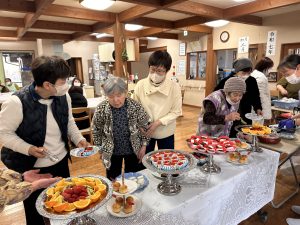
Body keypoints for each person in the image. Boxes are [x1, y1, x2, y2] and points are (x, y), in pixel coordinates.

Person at [0, 55, 89, 225]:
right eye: (64, 82)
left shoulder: (64, 96)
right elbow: (3, 133)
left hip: (61, 162)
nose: (67, 85)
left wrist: (79, 139)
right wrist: (28, 148)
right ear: (48, 85)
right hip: (32, 169)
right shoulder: (17, 102)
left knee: (65, 206)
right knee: (37, 214)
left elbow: (69, 121)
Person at [92, 77, 150, 180]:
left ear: (126, 93)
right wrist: (100, 150)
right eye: (111, 96)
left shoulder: (135, 106)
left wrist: (144, 145)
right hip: (111, 151)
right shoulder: (101, 109)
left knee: (134, 178)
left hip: (133, 149)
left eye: (119, 95)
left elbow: (145, 126)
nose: (116, 100)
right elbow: (96, 130)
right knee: (113, 180)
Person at [132, 50, 182, 153]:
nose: (155, 73)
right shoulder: (140, 85)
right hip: (145, 131)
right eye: (152, 69)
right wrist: (140, 125)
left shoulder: (174, 87)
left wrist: (158, 123)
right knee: (144, 162)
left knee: (166, 161)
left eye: (159, 71)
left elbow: (176, 112)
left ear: (167, 71)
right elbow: (133, 108)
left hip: (166, 131)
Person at [214, 58, 262, 136]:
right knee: (231, 132)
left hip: (246, 111)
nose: (246, 75)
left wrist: (258, 108)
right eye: (243, 72)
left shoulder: (252, 81)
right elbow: (216, 96)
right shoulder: (226, 81)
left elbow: (256, 96)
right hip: (229, 111)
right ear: (237, 71)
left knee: (244, 132)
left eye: (248, 73)